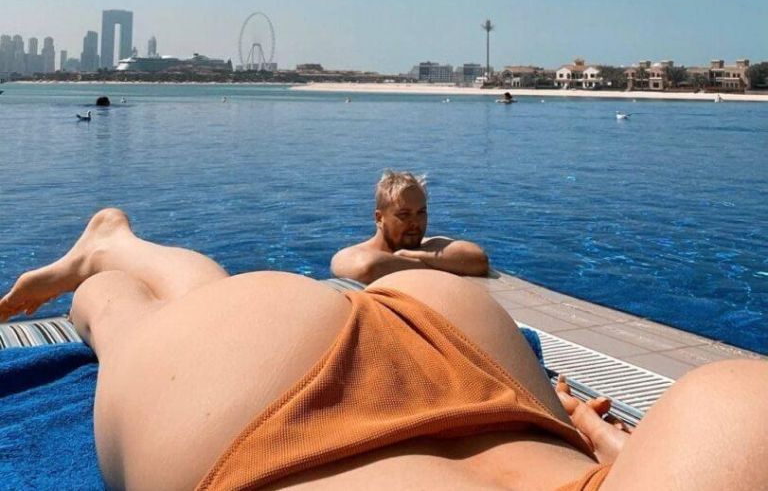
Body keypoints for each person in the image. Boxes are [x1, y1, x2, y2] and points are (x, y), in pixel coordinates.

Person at [1, 211, 767, 491]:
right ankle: (110, 250)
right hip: (278, 408)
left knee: (184, 310)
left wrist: (622, 452)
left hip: (463, 345)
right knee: (139, 320)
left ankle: (111, 247)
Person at [330, 170, 489, 283]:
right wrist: (442, 265)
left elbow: (478, 259)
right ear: (379, 218)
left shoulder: (428, 246)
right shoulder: (353, 254)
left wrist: (412, 255)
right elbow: (368, 269)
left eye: (421, 212)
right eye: (404, 214)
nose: (415, 222)